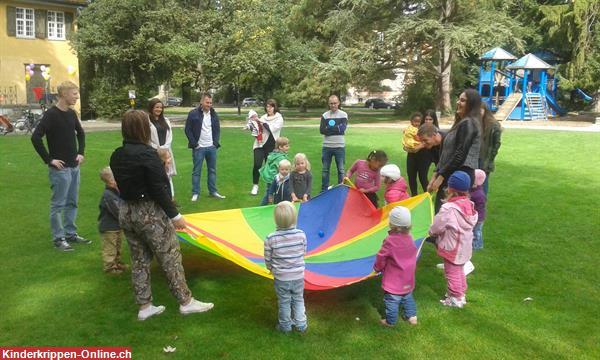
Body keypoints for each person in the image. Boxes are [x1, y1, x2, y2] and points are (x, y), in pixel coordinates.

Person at [111, 110, 214, 321]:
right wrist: (175, 216)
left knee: (139, 259)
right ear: (142, 128)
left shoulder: (117, 155)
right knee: (170, 256)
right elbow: (159, 189)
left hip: (126, 211)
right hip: (149, 213)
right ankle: (186, 302)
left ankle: (144, 306)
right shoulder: (148, 155)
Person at [31, 80, 91, 251]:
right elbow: (36, 138)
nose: (77, 97)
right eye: (74, 94)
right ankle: (59, 238)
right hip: (60, 169)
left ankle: (71, 234)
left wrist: (81, 152)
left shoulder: (71, 114)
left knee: (72, 202)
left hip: (74, 167)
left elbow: (80, 133)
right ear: (64, 94)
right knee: (58, 205)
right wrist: (49, 160)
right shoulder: (51, 115)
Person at [420, 89, 482, 213]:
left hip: (458, 176)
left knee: (447, 216)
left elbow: (460, 154)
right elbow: (446, 155)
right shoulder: (461, 123)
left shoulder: (469, 123)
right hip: (450, 174)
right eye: (459, 99)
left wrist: (441, 177)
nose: (458, 102)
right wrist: (435, 175)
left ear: (472, 104)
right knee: (441, 214)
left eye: (463, 100)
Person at [428, 171, 478, 308]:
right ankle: (460, 294)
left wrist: (431, 231)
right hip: (465, 246)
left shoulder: (448, 208)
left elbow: (438, 225)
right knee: (459, 269)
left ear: (450, 188)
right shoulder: (469, 205)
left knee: (452, 272)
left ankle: (455, 299)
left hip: (452, 247)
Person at [264, 201, 308, 333]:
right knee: (298, 299)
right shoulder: (301, 234)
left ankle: (285, 326)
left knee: (284, 301)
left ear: (275, 219)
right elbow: (303, 252)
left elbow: (268, 258)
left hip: (281, 277)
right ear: (294, 218)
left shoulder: (271, 238)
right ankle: (301, 324)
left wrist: (271, 268)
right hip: (298, 276)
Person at [373, 206, 418, 326]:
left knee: (392, 300)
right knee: (407, 296)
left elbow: (381, 257)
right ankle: (412, 317)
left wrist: (377, 268)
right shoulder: (410, 238)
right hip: (408, 277)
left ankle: (390, 321)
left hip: (394, 279)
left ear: (393, 225)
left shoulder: (390, 241)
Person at [184, 93, 225, 201]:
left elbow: (217, 129)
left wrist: (215, 143)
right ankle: (195, 193)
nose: (209, 105)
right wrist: (195, 144)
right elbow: (187, 130)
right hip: (199, 148)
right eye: (207, 102)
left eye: (211, 103)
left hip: (211, 147)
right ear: (201, 102)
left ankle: (213, 191)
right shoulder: (193, 114)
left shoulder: (214, 114)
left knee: (212, 170)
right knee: (196, 171)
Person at [249, 99, 284, 196]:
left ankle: (272, 189)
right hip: (259, 145)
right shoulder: (263, 117)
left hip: (272, 146)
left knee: (270, 168)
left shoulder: (279, 118)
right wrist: (252, 126)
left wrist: (262, 122)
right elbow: (257, 128)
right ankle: (255, 185)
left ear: (275, 107)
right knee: (257, 164)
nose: (269, 109)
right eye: (267, 106)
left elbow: (270, 129)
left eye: (271, 106)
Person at [98, 167, 126, 274]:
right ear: (111, 181)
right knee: (110, 248)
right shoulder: (108, 195)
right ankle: (109, 267)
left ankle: (117, 263)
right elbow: (116, 211)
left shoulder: (116, 191)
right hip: (109, 227)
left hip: (117, 226)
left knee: (118, 245)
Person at [148, 98, 177, 192]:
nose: (159, 109)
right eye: (156, 107)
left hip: (166, 152)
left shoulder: (166, 120)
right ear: (151, 108)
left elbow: (170, 136)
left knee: (167, 174)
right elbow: (147, 138)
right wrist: (158, 149)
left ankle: (171, 197)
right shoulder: (147, 122)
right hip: (153, 152)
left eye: (161, 107)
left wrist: (165, 148)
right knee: (155, 175)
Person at [320, 95, 348, 191]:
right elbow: (322, 130)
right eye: (331, 103)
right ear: (329, 104)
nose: (333, 105)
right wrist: (336, 128)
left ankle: (341, 189)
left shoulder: (343, 115)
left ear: (338, 103)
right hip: (326, 146)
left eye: (335, 103)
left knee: (341, 170)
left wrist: (329, 128)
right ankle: (324, 190)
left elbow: (343, 128)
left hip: (339, 146)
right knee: (325, 170)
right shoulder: (325, 115)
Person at [479, 103, 502, 194]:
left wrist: (490, 159)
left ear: (485, 111)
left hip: (485, 160)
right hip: (476, 158)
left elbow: (496, 144)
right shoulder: (476, 123)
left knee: (483, 184)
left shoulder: (493, 125)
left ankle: (481, 205)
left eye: (480, 110)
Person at [259, 137, 290, 205]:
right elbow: (281, 168)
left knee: (270, 192)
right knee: (269, 194)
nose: (288, 147)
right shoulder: (280, 158)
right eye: (286, 146)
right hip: (273, 178)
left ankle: (275, 204)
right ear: (280, 147)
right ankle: (261, 206)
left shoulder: (274, 154)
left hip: (270, 177)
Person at [403, 112, 427, 196]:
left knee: (423, 177)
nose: (417, 123)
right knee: (411, 176)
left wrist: (418, 146)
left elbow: (426, 143)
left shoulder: (423, 131)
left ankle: (427, 194)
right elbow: (406, 143)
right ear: (411, 121)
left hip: (422, 157)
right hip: (411, 157)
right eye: (415, 121)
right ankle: (414, 195)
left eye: (419, 121)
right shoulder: (409, 130)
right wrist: (407, 147)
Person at [470, 169, 487, 250]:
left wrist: (477, 219)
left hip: (478, 218)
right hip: (474, 216)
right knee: (473, 231)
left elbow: (480, 209)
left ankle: (477, 245)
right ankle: (474, 243)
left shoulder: (479, 195)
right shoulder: (474, 190)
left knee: (477, 232)